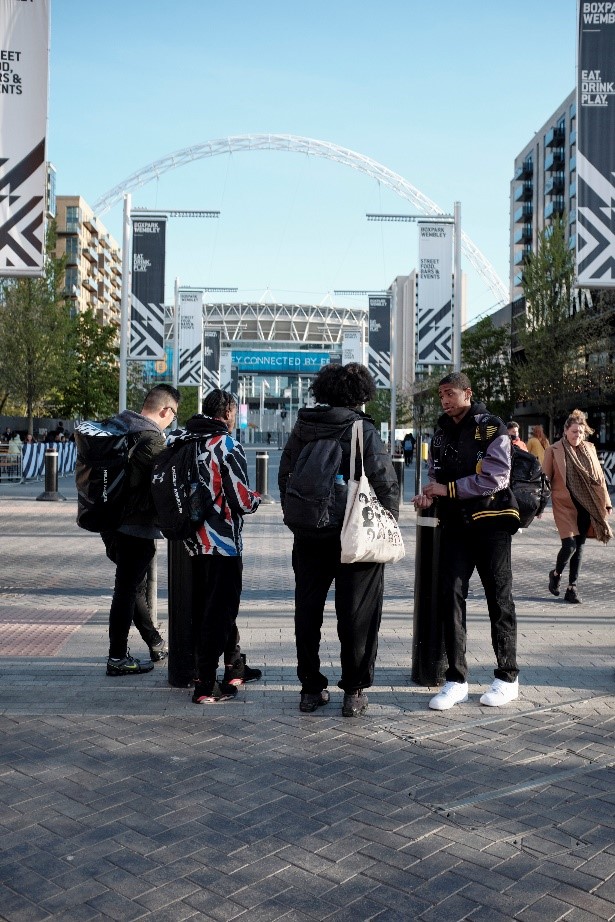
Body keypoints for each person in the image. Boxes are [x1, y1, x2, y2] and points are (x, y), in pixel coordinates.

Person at [279, 363, 399, 718]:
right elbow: (384, 481)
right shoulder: (362, 428)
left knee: (308, 610)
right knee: (357, 614)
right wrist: (386, 525)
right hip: (356, 536)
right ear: (360, 395)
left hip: (311, 534)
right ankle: (354, 692)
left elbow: (285, 476)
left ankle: (310, 688)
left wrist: (300, 522)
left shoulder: (304, 427)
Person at [412, 372, 519, 710]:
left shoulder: (490, 426)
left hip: (491, 525)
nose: (444, 400)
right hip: (455, 526)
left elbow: (498, 477)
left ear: (467, 393)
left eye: (450, 393)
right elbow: (436, 472)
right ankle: (456, 679)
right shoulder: (441, 431)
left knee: (499, 600)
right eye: (441, 394)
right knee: (450, 598)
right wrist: (430, 494)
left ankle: (507, 677)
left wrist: (450, 490)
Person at [170, 389, 262, 704]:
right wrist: (257, 499)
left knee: (206, 608)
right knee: (219, 611)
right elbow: (241, 500)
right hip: (222, 542)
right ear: (226, 413)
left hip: (192, 540)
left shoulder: (183, 440)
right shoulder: (226, 446)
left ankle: (233, 667)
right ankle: (207, 685)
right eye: (234, 413)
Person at [104, 384, 180, 676]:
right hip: (135, 526)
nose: (172, 420)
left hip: (109, 520)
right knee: (125, 590)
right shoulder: (150, 440)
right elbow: (162, 487)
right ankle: (117, 658)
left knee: (130, 587)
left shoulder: (119, 425)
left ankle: (154, 642)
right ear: (165, 410)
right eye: (173, 415)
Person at [543, 409, 612, 604]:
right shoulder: (553, 450)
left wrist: (606, 503)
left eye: (581, 432)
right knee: (569, 546)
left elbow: (599, 479)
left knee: (580, 546)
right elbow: (544, 480)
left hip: (586, 505)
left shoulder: (589, 448)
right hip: (564, 505)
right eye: (574, 432)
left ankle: (572, 587)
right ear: (565, 430)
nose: (578, 436)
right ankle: (556, 574)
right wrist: (539, 506)